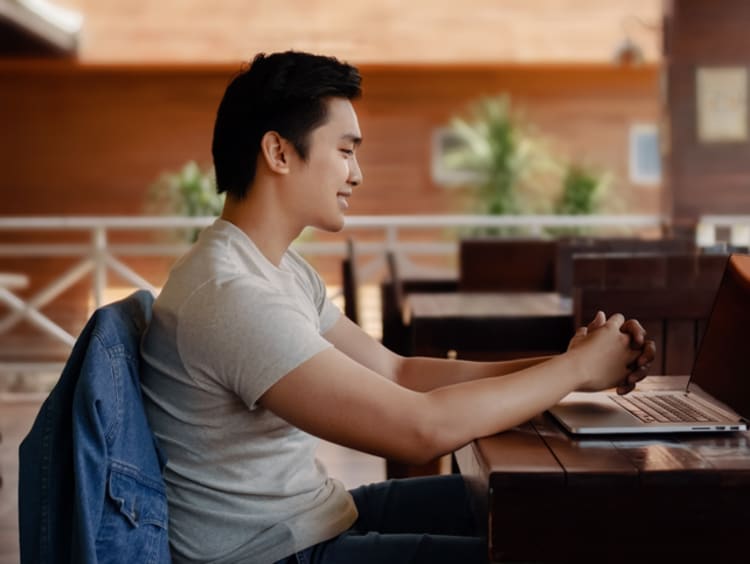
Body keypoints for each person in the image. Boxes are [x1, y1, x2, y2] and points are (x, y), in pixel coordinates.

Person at [140, 50, 655, 564]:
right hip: (270, 553)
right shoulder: (231, 294)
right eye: (345, 151)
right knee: (547, 545)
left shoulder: (276, 270)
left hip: (308, 520)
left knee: (557, 507)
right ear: (278, 152)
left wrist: (568, 371)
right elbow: (419, 431)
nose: (357, 174)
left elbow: (399, 371)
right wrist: (573, 369)